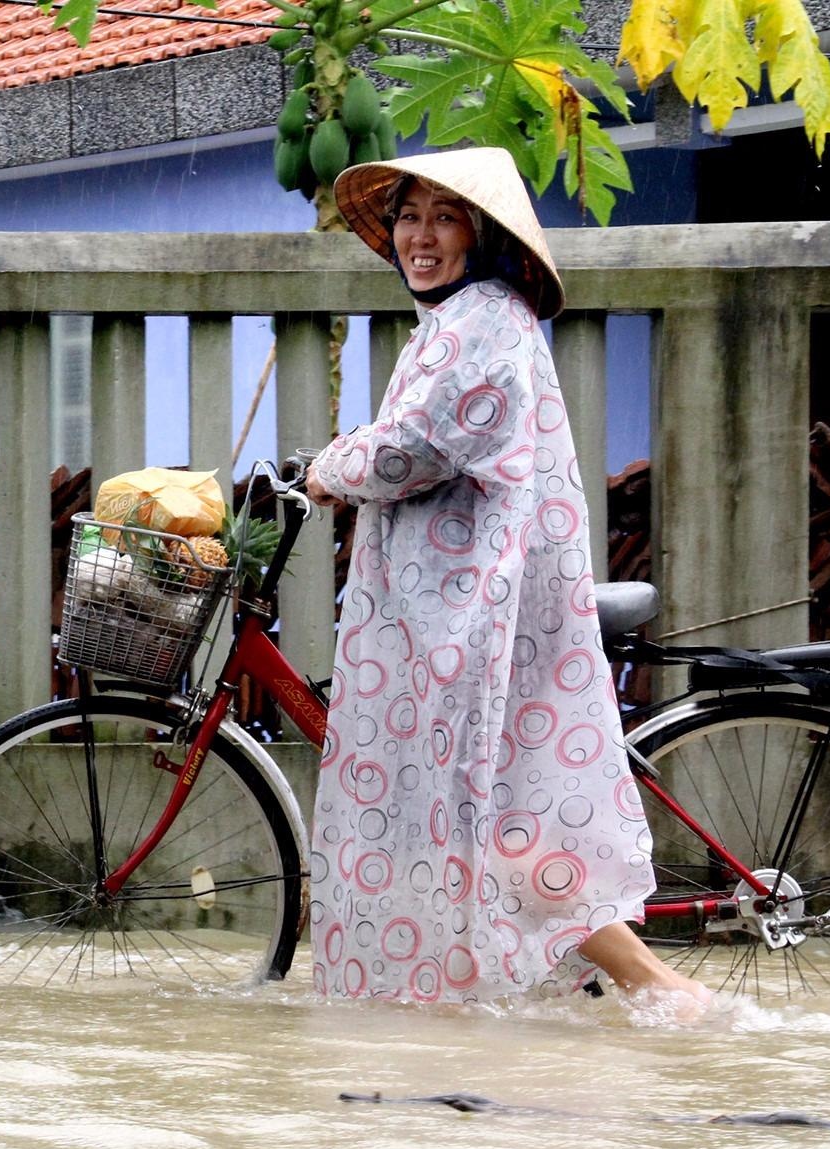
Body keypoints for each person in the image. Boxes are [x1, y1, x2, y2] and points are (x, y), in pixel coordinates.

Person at [301, 148, 708, 1007]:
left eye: (444, 218)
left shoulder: (485, 318)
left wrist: (332, 466)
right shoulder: (453, 324)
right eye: (409, 216)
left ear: (479, 236)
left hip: (481, 617)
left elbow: (424, 443)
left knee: (494, 817)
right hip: (450, 612)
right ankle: (557, 991)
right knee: (485, 816)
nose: (421, 236)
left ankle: (657, 983)